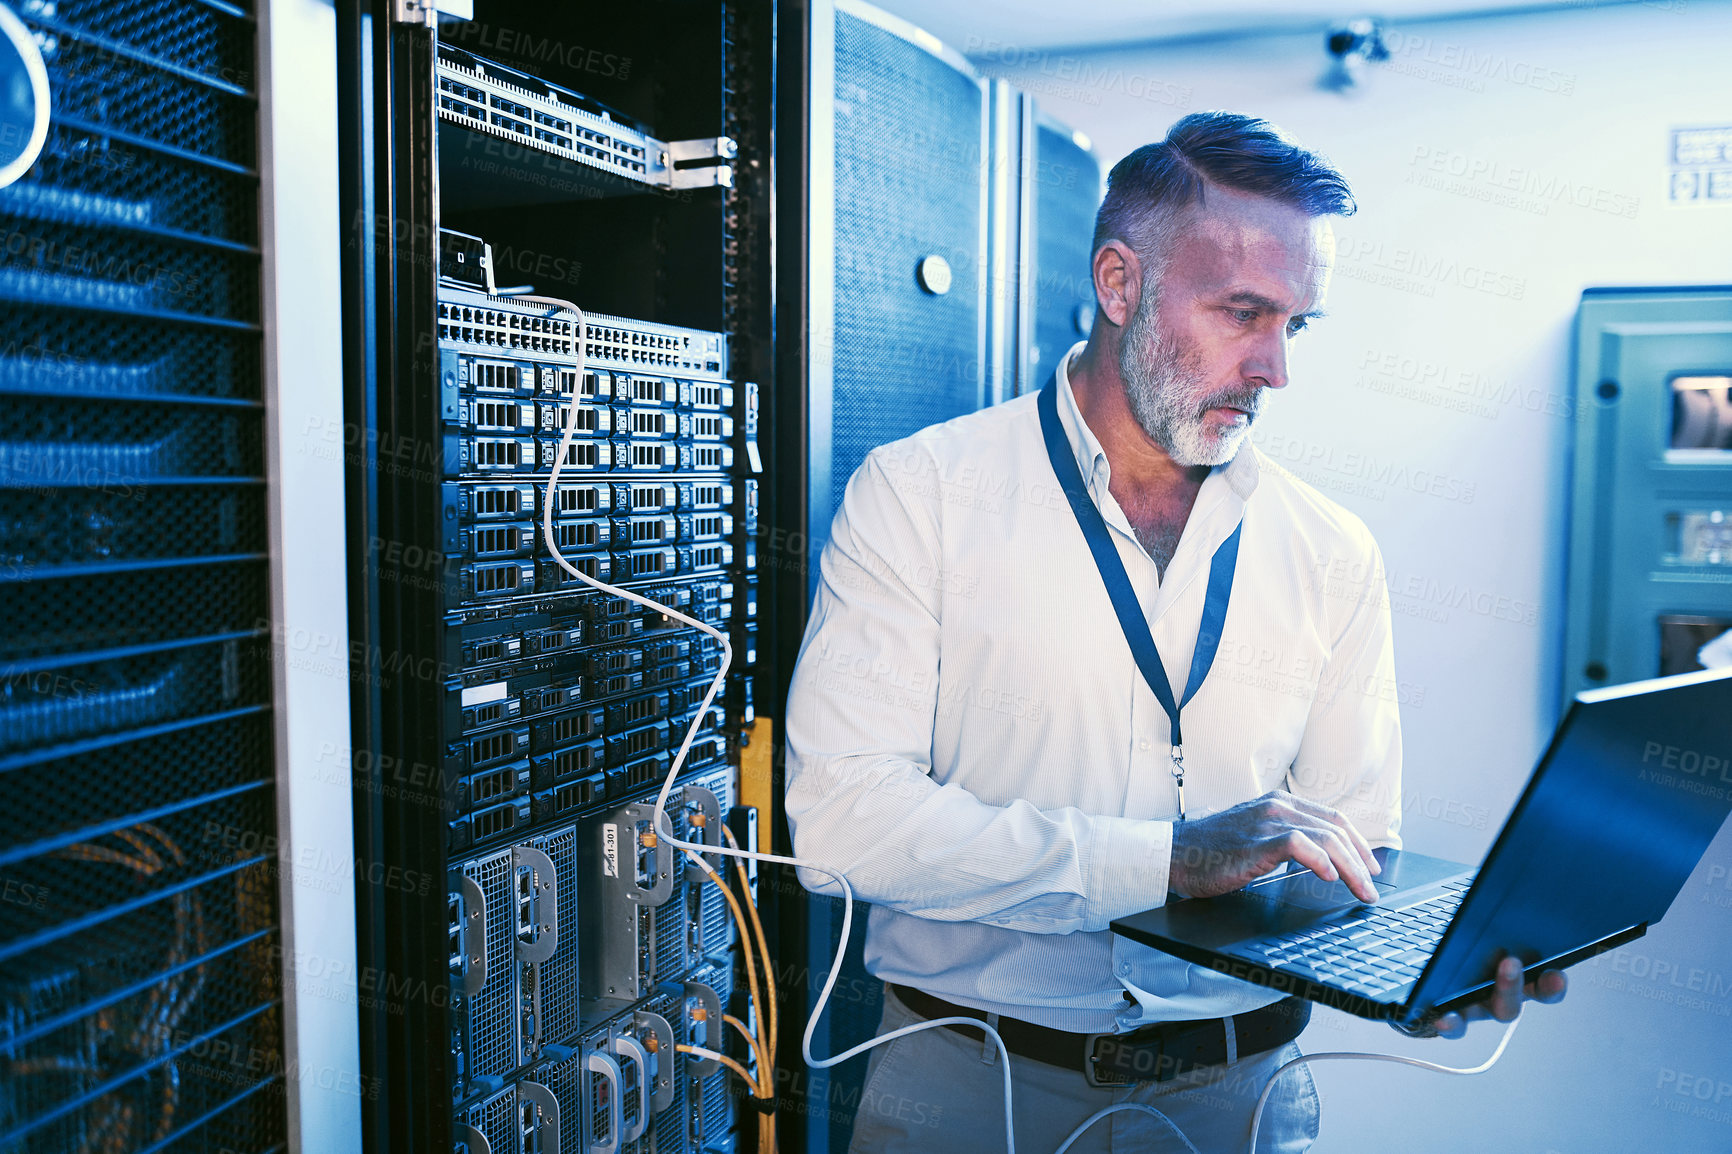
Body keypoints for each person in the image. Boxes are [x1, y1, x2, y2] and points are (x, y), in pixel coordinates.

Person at [783, 111, 1565, 1154]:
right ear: (1119, 284)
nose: (1274, 367)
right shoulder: (918, 495)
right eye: (1243, 312)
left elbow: (1346, 838)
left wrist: (1413, 969)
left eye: (1297, 324)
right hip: (968, 1086)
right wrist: (1164, 859)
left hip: (1241, 1100)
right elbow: (843, 824)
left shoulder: (1331, 549)